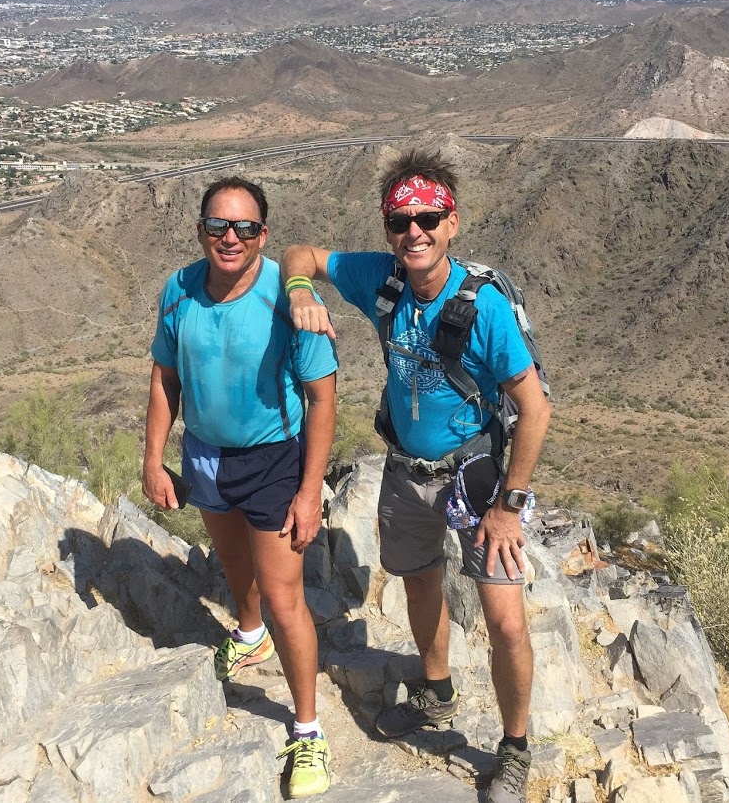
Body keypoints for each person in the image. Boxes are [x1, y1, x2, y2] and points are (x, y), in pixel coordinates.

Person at [280, 149, 550, 803]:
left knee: (506, 620)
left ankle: (513, 747)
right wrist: (299, 293)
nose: (415, 233)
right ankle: (436, 690)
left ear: (453, 222)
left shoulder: (482, 310)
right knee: (417, 582)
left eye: (429, 218)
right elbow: (300, 254)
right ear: (387, 230)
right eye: (400, 222)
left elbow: (535, 409)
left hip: (478, 477)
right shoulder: (383, 279)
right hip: (405, 469)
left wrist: (509, 507)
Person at [142, 176, 337, 799]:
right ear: (201, 229)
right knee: (232, 562)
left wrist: (310, 493)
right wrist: (152, 457)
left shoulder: (288, 296)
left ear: (263, 235)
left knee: (285, 598)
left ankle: (307, 731)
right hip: (203, 454)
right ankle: (247, 636)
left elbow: (323, 396)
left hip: (272, 460)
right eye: (219, 226)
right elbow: (165, 375)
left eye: (245, 228)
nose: (231, 238)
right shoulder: (179, 289)